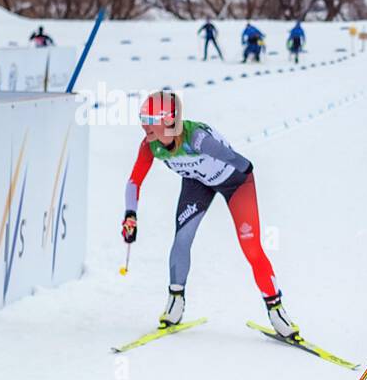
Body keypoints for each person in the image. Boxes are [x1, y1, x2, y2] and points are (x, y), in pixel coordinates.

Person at [122, 90, 299, 337]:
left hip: (235, 183)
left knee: (251, 247)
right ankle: (175, 302)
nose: (145, 126)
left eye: (151, 120)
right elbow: (134, 181)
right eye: (143, 119)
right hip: (197, 184)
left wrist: (239, 164)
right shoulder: (151, 146)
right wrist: (130, 214)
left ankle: (276, 310)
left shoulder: (196, 139)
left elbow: (239, 161)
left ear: (170, 120)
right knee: (181, 240)